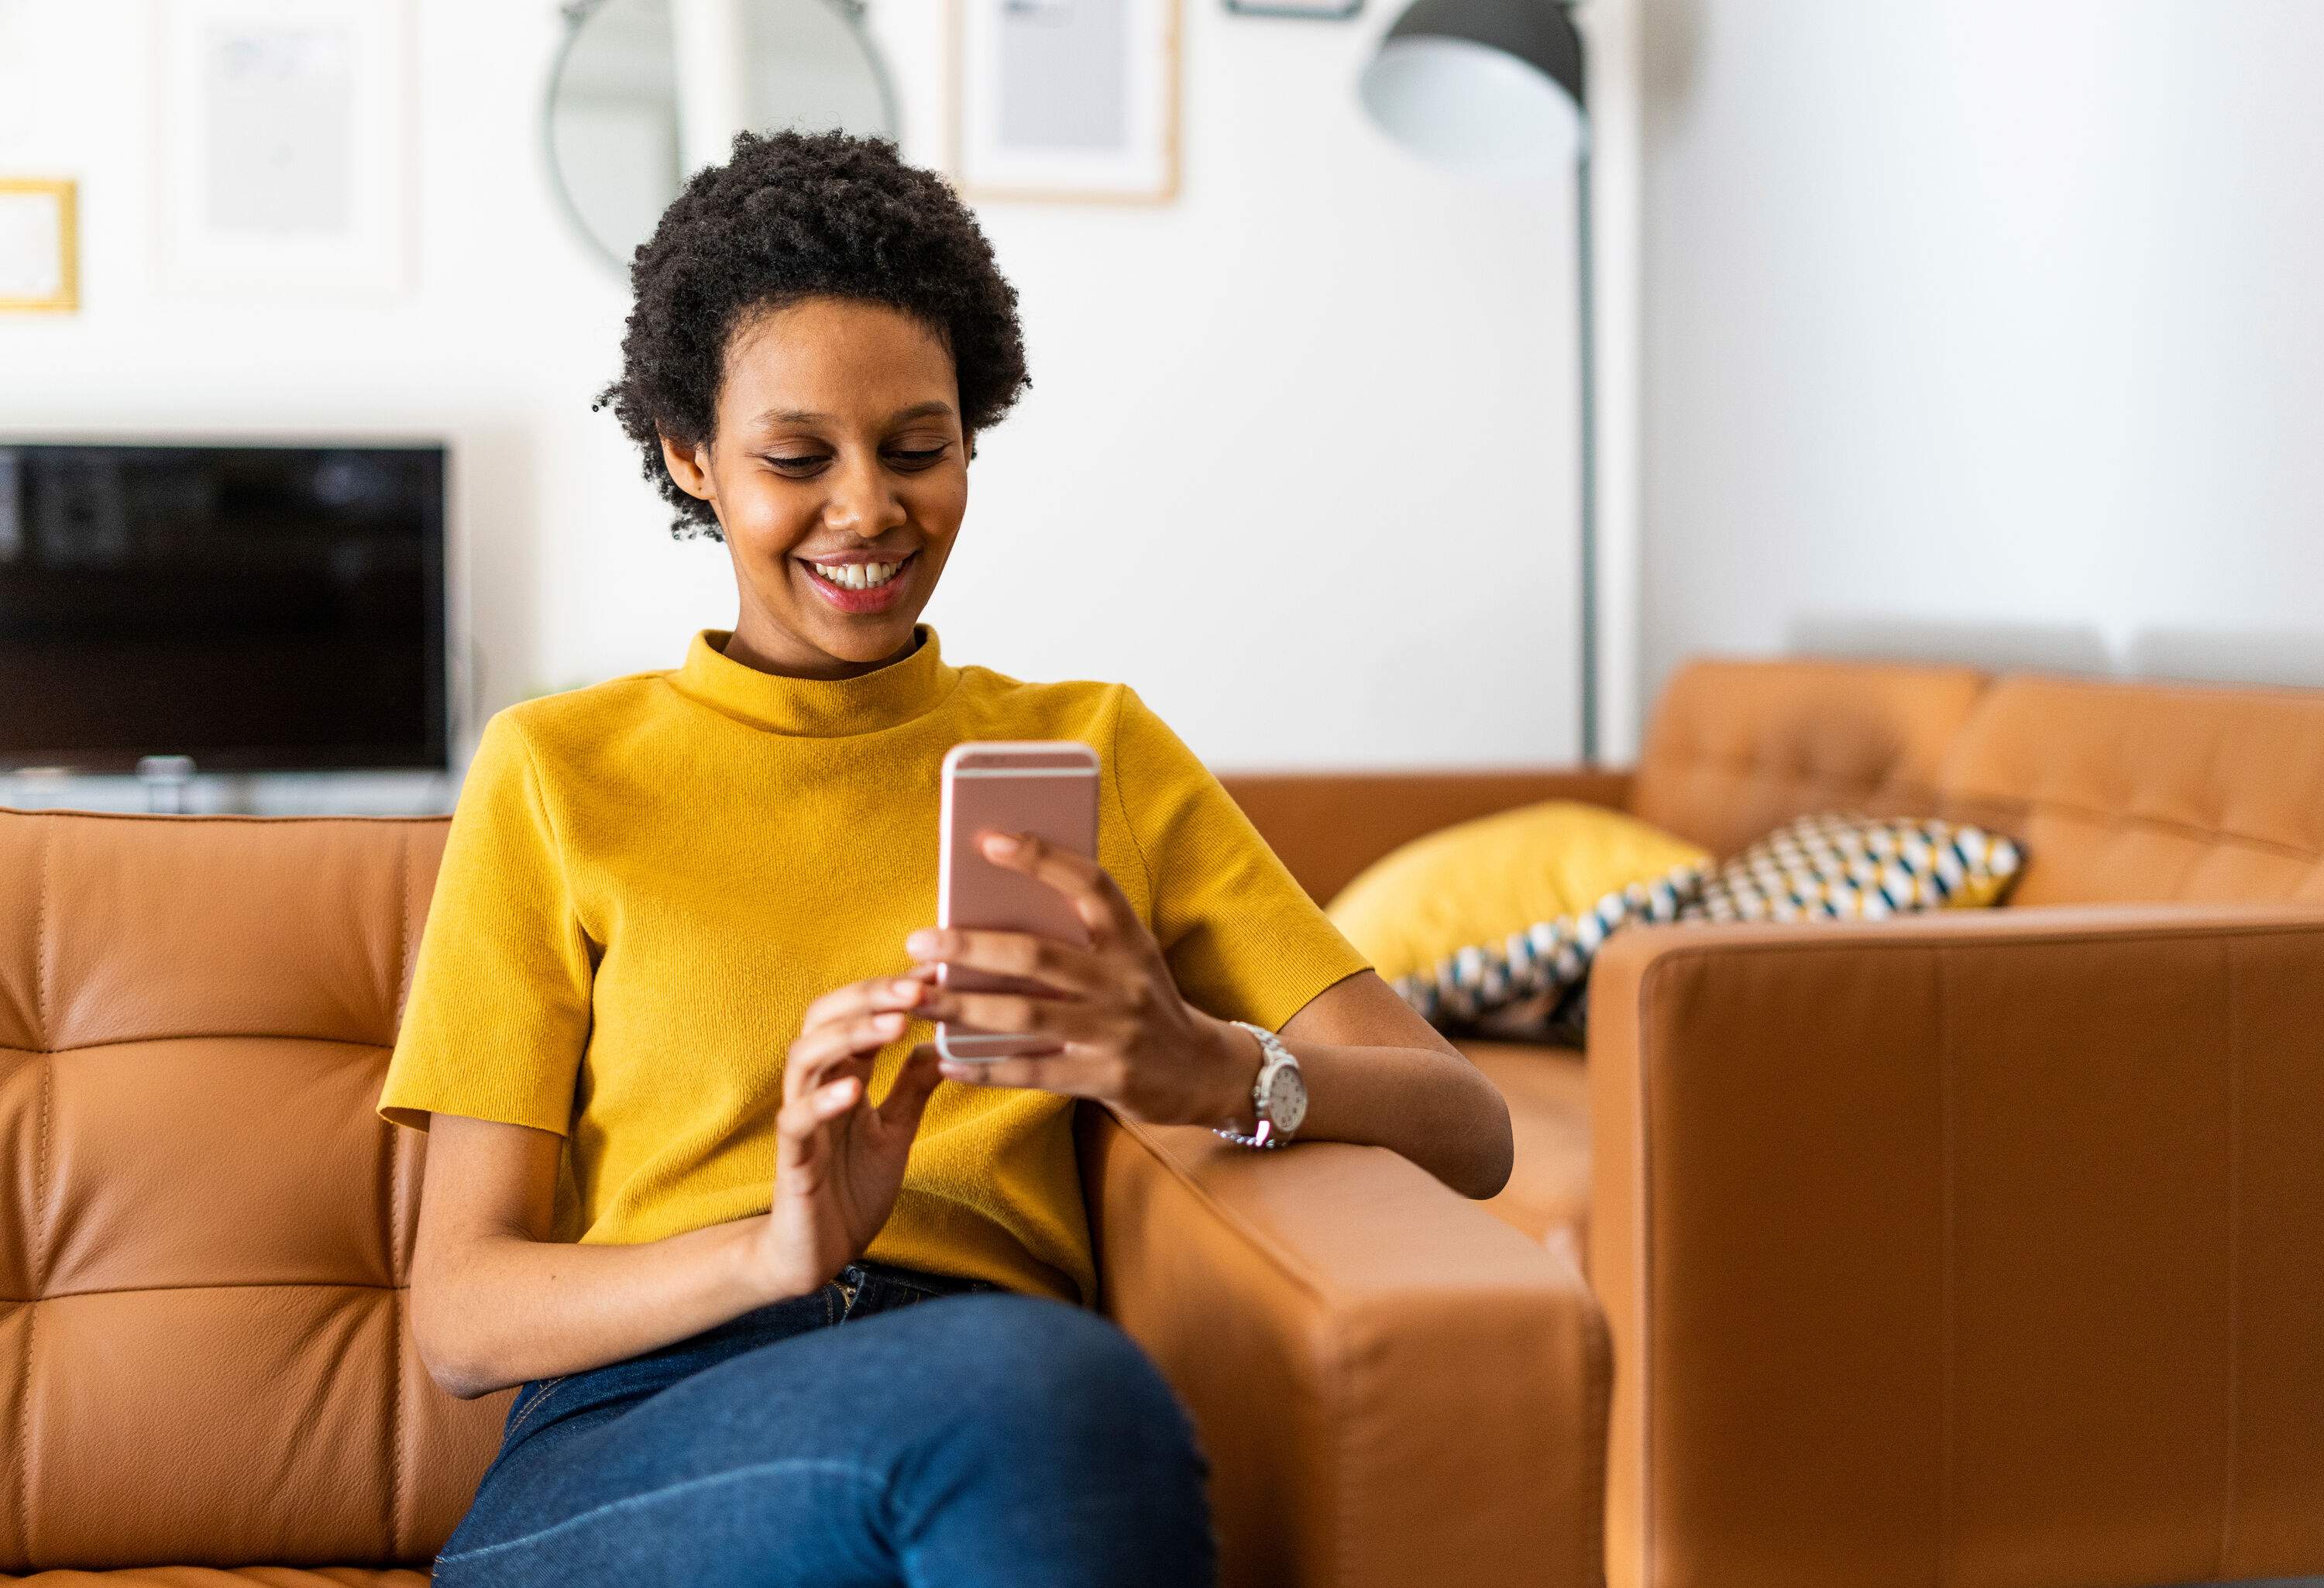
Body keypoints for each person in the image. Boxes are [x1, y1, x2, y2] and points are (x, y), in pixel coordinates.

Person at [376, 129, 1514, 1588]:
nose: (869, 509)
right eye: (799, 458)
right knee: (1044, 1396)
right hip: (639, 1437)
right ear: (689, 456)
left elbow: (1467, 1129)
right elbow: (461, 1313)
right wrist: (777, 1249)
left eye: (919, 447)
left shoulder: (1099, 751)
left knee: (1034, 1407)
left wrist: (1206, 1068)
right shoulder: (554, 773)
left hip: (997, 1407)